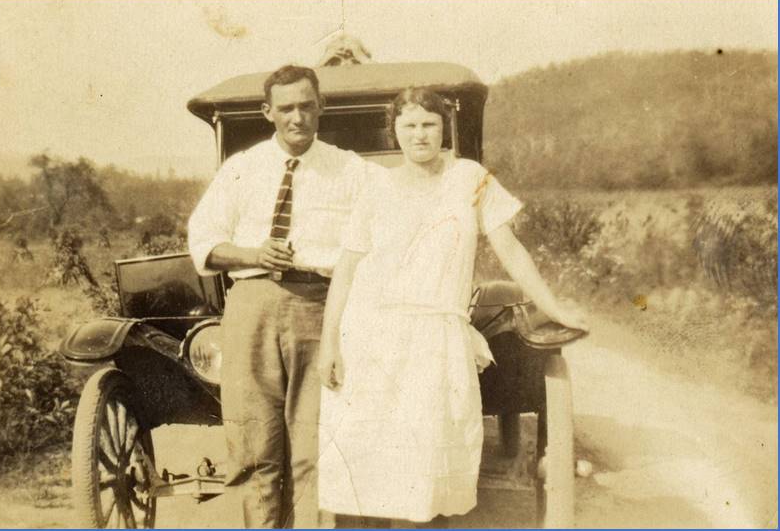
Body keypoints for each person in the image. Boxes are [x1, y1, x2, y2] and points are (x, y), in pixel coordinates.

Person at [316, 87, 587, 525]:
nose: (419, 134)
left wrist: (551, 306)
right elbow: (346, 272)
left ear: (445, 129)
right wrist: (330, 345)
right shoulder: (375, 187)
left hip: (434, 339)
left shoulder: (470, 177)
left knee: (427, 472)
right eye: (409, 125)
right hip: (370, 338)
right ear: (395, 131)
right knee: (364, 472)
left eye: (429, 124)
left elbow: (511, 250)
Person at [187, 64, 372, 528]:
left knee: (316, 444)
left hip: (321, 310)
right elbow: (205, 241)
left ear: (321, 107)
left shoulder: (352, 170)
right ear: (267, 112)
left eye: (307, 106)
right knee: (254, 444)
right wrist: (254, 253)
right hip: (251, 308)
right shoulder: (241, 169)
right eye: (286, 108)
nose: (297, 117)